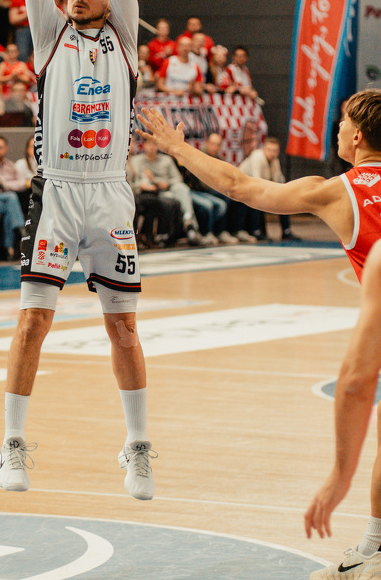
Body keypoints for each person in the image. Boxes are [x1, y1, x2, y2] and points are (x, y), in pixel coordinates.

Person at [136, 88, 381, 578]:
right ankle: (373, 548)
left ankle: (373, 550)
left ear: (356, 136)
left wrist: (178, 148)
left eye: (340, 123)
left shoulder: (336, 191)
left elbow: (240, 186)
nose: (335, 129)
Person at [0, 0, 155, 500]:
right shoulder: (49, 34)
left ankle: (137, 447)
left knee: (124, 327)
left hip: (110, 195)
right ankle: (11, 443)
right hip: (57, 193)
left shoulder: (125, 40)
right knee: (33, 320)